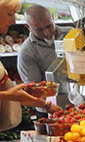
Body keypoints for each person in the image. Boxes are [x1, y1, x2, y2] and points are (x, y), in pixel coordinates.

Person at [0, 0, 57, 133]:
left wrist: (45, 104)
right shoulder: (27, 51)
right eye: (9, 14)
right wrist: (7, 95)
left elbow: (17, 94)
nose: (13, 21)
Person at [17, 4, 69, 84]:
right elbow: (35, 86)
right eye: (39, 30)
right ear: (28, 27)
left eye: (49, 26)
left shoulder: (70, 34)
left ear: (52, 17)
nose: (46, 32)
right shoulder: (27, 52)